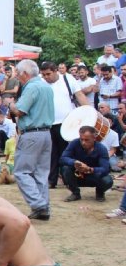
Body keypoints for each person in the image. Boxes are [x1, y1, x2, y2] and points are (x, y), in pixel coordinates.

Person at [7, 60, 54, 221]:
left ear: (24, 74)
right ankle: (43, 208)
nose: (18, 78)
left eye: (18, 75)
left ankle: (38, 203)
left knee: (21, 172)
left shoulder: (32, 87)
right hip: (46, 133)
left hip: (31, 133)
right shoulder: (46, 86)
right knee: (41, 173)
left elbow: (20, 110)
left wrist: (11, 104)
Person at [39, 61, 88, 189]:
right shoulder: (40, 82)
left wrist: (89, 111)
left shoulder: (68, 79)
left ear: (56, 71)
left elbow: (79, 95)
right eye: (43, 74)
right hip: (48, 123)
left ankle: (68, 179)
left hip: (68, 123)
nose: (46, 77)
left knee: (67, 152)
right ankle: (51, 180)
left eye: (48, 74)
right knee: (51, 153)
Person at [59, 126, 112, 202]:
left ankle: (100, 192)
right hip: (77, 175)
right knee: (65, 169)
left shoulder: (101, 148)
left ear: (94, 138)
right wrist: (75, 162)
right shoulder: (74, 143)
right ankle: (75, 193)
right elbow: (63, 158)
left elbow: (105, 169)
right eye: (81, 139)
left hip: (93, 176)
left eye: (87, 140)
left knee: (108, 180)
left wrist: (90, 169)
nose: (83, 142)